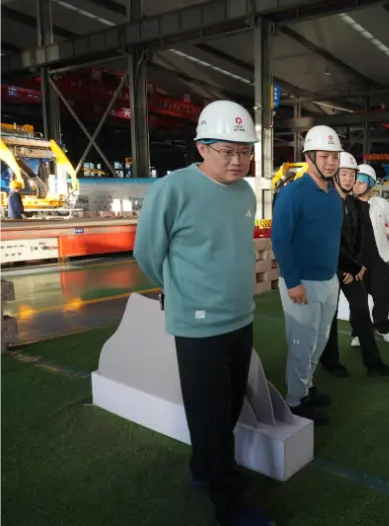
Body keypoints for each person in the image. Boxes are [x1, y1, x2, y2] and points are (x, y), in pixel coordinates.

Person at [134, 100, 275, 526]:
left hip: (240, 318)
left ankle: (204, 468)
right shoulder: (172, 190)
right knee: (211, 417)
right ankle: (229, 507)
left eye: (244, 151)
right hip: (197, 327)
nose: (237, 160)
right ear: (201, 148)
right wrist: (183, 291)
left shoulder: (244, 192)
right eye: (226, 151)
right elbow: (147, 253)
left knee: (227, 409)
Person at [271, 125, 343, 426]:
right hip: (302, 283)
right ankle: (295, 400)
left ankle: (306, 387)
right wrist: (293, 282)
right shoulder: (292, 193)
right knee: (302, 343)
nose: (331, 162)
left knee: (320, 339)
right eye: (324, 156)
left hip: (329, 280)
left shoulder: (334, 195)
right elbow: (280, 239)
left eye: (335, 157)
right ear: (309, 157)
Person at [319, 153, 389, 378]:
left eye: (352, 174)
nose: (348, 179)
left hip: (352, 270)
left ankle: (374, 364)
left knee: (361, 311)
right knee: (329, 316)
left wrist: (357, 266)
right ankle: (331, 362)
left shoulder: (359, 206)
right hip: (332, 270)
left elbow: (362, 240)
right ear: (335, 175)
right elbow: (328, 241)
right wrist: (346, 268)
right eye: (343, 174)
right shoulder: (325, 203)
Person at [350, 164, 389, 346]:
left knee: (382, 295)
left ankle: (382, 326)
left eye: (361, 181)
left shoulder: (381, 204)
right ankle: (358, 332)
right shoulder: (347, 204)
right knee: (358, 299)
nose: (356, 185)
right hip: (356, 260)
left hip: (379, 258)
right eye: (354, 181)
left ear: (371, 183)